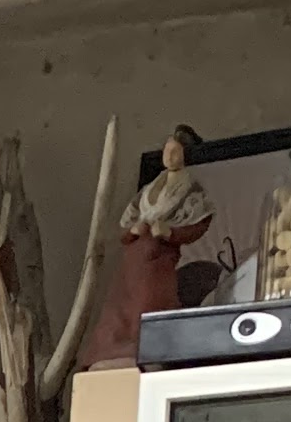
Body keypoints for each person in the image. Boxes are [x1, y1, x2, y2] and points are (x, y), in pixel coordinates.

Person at [88, 123, 217, 362]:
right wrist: (133, 230)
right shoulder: (149, 188)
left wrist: (170, 233)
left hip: (158, 259)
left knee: (149, 302)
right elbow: (126, 224)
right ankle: (113, 349)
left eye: (175, 152)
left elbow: (199, 223)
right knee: (121, 303)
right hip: (134, 258)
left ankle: (146, 348)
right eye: (167, 150)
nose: (169, 156)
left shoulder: (191, 191)